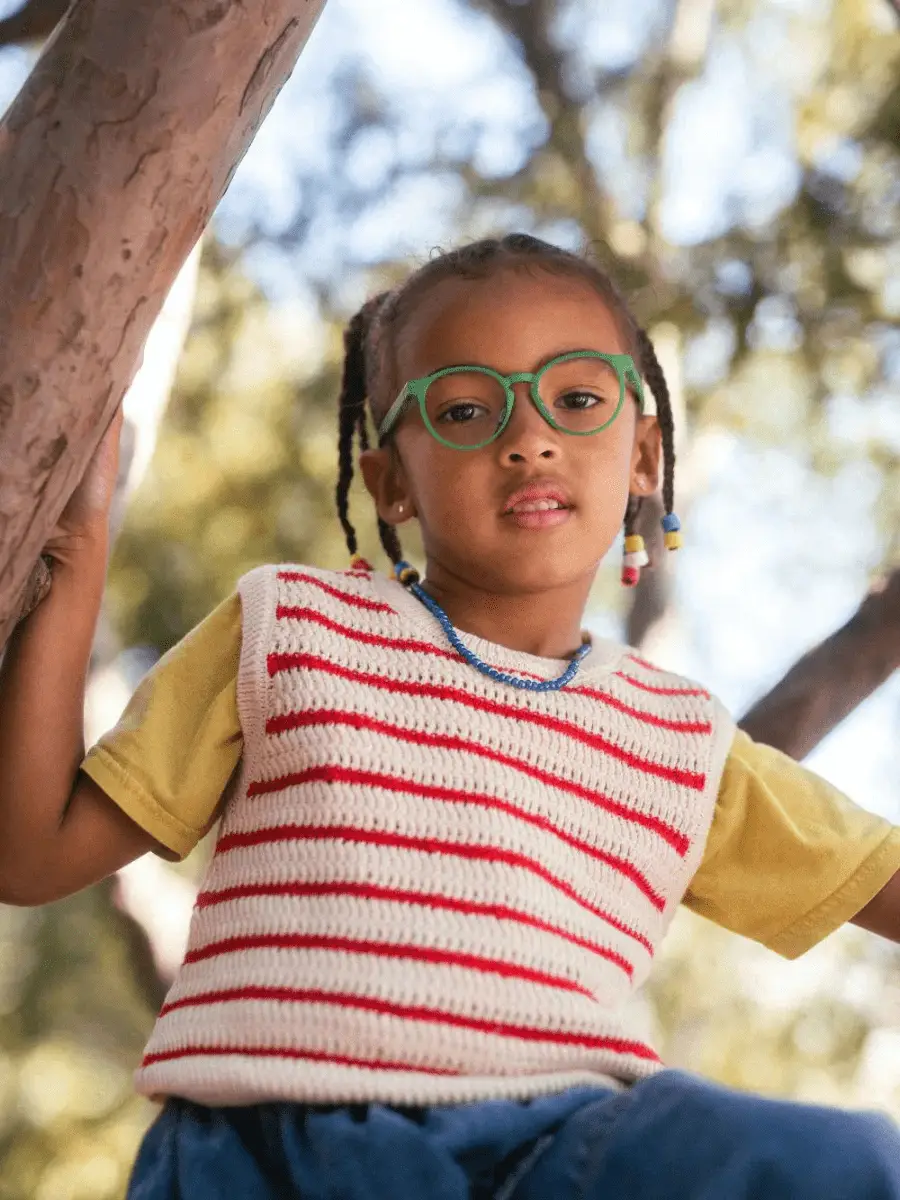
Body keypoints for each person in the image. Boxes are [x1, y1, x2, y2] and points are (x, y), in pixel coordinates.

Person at [2, 234, 900, 1200]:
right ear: (392, 482)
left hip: (558, 1146)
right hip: (269, 1153)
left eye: (579, 399)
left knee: (848, 1165)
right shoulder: (290, 630)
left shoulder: (685, 741)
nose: (529, 436)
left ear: (645, 455)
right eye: (467, 409)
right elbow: (30, 854)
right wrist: (79, 550)